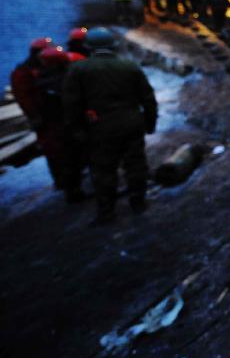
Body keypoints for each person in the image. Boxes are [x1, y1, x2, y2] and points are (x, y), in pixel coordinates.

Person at [63, 28, 157, 225]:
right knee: (135, 165)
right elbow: (148, 99)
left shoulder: (79, 69)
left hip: (100, 127)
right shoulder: (129, 67)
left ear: (88, 47)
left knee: (103, 169)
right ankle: (138, 203)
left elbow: (72, 104)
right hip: (131, 123)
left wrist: (77, 129)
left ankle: (106, 212)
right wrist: (150, 123)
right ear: (113, 46)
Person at [34, 46, 85, 202]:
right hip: (68, 124)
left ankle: (72, 189)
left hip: (57, 125)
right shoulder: (62, 81)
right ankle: (74, 190)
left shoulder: (41, 80)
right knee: (74, 156)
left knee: (67, 158)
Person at [11, 37, 52, 136]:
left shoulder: (46, 66)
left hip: (51, 111)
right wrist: (34, 115)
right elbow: (23, 97)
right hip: (40, 113)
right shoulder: (23, 72)